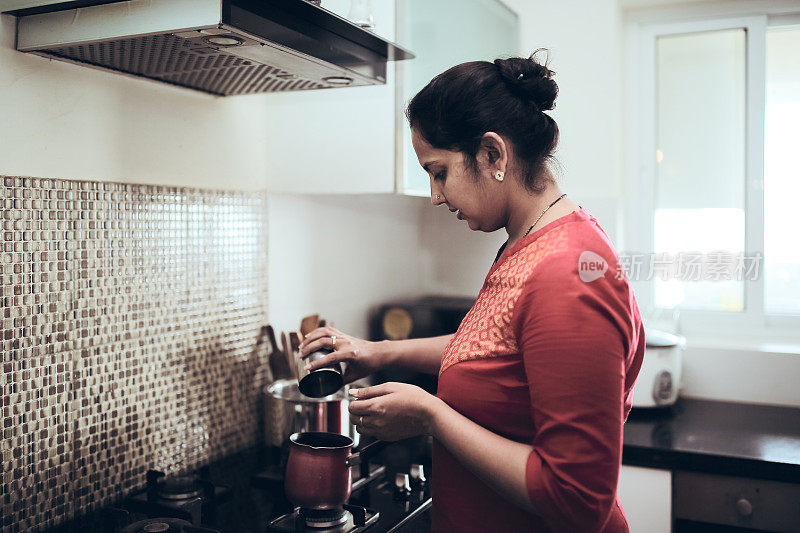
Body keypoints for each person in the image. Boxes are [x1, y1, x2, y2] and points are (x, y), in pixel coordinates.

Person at [299, 50, 645, 533]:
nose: (436, 195)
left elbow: (578, 499)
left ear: (492, 154)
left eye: (439, 172)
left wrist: (430, 416)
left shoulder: (567, 275)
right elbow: (494, 353)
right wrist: (377, 353)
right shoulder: (526, 243)